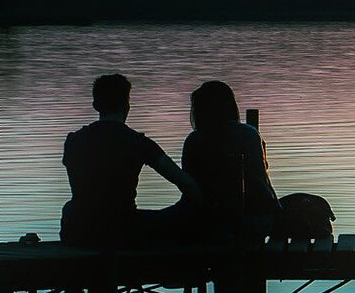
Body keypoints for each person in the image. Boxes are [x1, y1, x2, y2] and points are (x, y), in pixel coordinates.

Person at [60, 74, 202, 248]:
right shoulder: (139, 143)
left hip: (79, 231)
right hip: (123, 230)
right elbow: (188, 186)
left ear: (96, 105)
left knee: (69, 208)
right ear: (127, 106)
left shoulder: (73, 141)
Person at [182, 81, 279, 244]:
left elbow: (190, 187)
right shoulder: (250, 134)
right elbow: (261, 179)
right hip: (260, 220)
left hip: (212, 224)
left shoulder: (195, 140)